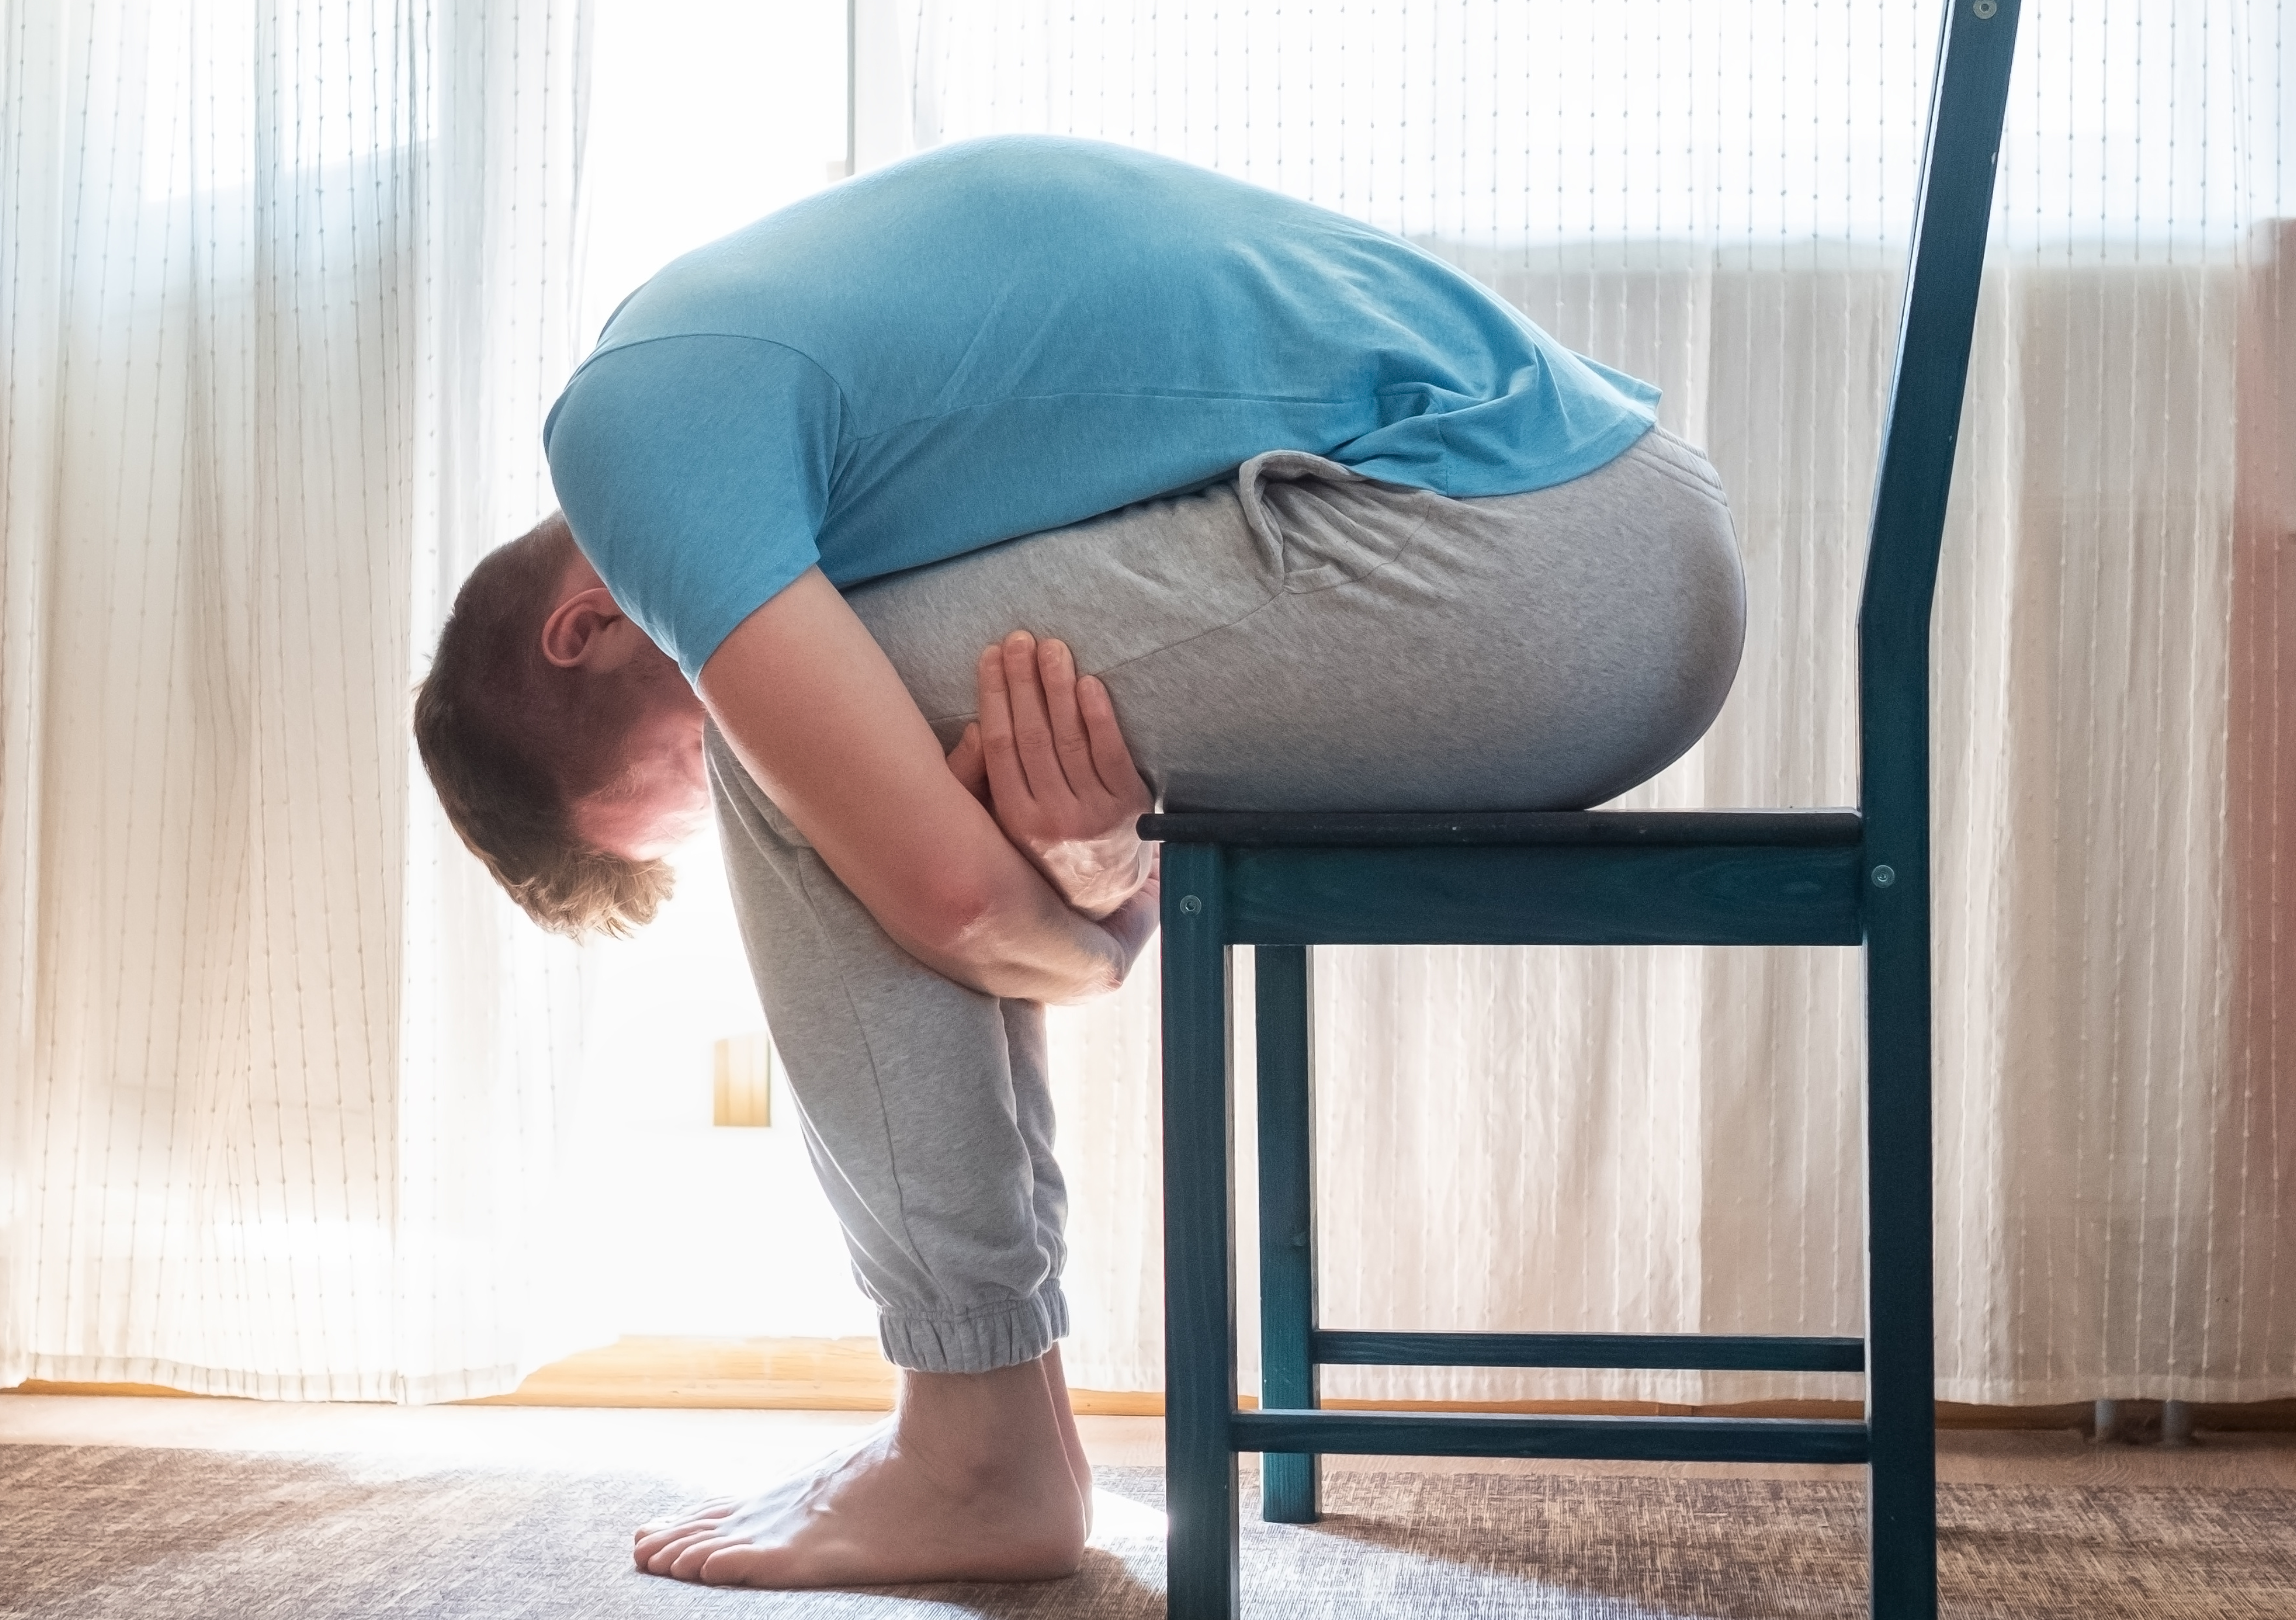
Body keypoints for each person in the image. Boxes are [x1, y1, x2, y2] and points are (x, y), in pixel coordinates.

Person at [411, 134, 1745, 1589]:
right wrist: (1090, 870)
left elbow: (951, 901)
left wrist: (1088, 921)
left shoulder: (629, 435)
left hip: (1526, 568)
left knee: (808, 770)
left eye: (661, 772)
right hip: (1611, 539)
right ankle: (1000, 1431)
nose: (735, 745)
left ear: (583, 624)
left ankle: (972, 1444)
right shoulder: (794, 393)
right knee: (869, 763)